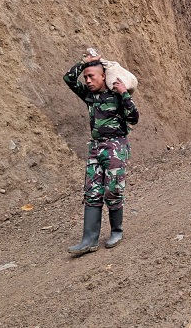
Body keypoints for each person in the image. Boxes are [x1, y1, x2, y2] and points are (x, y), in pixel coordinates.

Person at [63, 48, 139, 255]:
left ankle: (116, 231)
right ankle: (89, 240)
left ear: (103, 76)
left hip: (116, 147)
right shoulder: (89, 97)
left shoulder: (115, 95)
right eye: (86, 77)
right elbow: (69, 78)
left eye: (91, 76)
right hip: (95, 148)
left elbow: (133, 118)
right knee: (92, 192)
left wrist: (124, 93)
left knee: (112, 190)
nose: (87, 80)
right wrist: (86, 62)